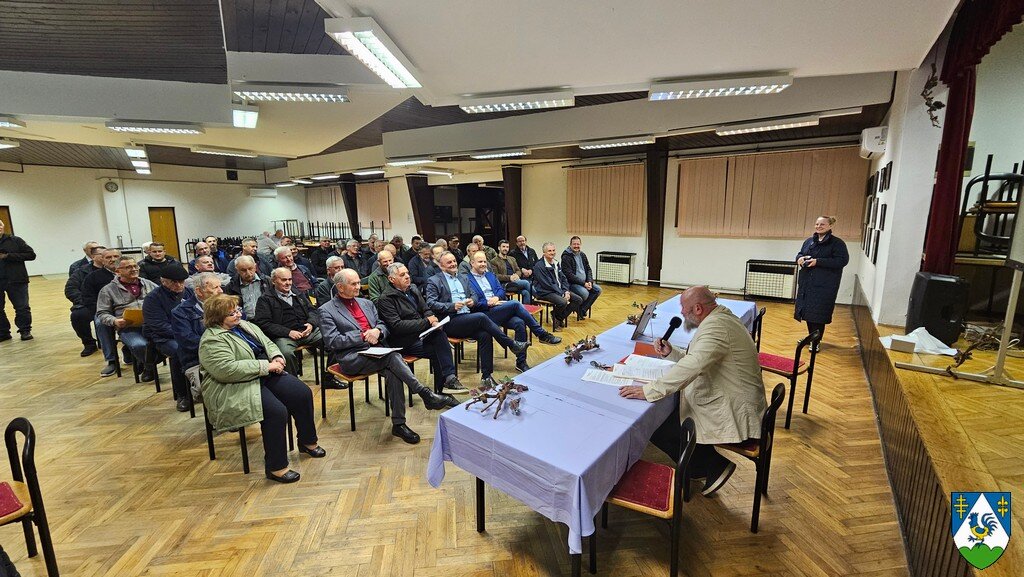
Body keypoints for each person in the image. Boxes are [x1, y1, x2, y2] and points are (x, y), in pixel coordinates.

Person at [618, 286, 766, 497]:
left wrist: (649, 391)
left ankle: (710, 465)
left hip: (737, 410)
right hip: (735, 394)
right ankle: (701, 465)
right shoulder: (720, 317)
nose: (681, 313)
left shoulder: (716, 328)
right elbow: (700, 359)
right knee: (673, 409)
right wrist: (672, 353)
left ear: (698, 308)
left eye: (684, 308)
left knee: (658, 423)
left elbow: (694, 366)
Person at [319, 269, 459, 444]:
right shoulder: (327, 310)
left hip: (378, 350)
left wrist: (377, 331)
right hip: (352, 357)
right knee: (393, 358)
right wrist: (362, 336)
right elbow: (332, 341)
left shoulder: (366, 303)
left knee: (393, 368)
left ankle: (399, 424)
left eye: (358, 282)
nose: (358, 286)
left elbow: (383, 325)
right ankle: (425, 394)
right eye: (353, 284)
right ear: (340, 287)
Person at [199, 294, 325, 484]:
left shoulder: (245, 326)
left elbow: (267, 342)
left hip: (263, 373)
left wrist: (277, 356)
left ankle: (307, 441)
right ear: (217, 317)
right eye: (231, 313)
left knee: (302, 393)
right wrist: (265, 367)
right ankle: (276, 467)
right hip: (235, 384)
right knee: (276, 412)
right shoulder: (211, 340)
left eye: (237, 310)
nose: (238, 314)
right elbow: (226, 370)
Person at [425, 252, 533, 376]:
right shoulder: (434, 280)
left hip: (467, 317)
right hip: (451, 320)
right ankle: (511, 344)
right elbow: (431, 303)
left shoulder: (462, 277)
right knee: (482, 316)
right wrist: (452, 306)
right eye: (449, 262)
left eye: (454, 261)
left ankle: (486, 376)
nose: (453, 264)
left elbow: (474, 295)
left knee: (485, 335)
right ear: (441, 265)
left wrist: (472, 301)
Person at [376, 263, 466, 394]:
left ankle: (448, 382)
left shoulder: (412, 288)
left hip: (420, 335)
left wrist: (433, 322)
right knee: (439, 350)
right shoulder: (386, 299)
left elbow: (426, 309)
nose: (407, 277)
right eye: (402, 275)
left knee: (440, 337)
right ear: (391, 279)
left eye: (407, 273)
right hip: (403, 342)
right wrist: (427, 321)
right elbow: (397, 326)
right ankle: (443, 389)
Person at [96, 256, 158, 381]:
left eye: (135, 266)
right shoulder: (108, 290)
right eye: (128, 267)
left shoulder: (148, 284)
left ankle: (144, 362)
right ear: (117, 271)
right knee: (140, 345)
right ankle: (149, 366)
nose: (134, 269)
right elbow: (102, 313)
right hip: (129, 327)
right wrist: (114, 321)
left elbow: (162, 297)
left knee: (169, 341)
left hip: (151, 325)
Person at [252, 267, 322, 375]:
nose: (288, 283)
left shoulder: (298, 293)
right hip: (284, 336)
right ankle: (293, 383)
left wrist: (311, 324)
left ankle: (329, 378)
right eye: (284, 280)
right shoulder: (265, 299)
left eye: (290, 279)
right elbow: (263, 323)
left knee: (332, 339)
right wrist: (288, 332)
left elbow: (313, 311)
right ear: (274, 281)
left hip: (307, 331)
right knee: (286, 354)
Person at [794, 216, 850, 350]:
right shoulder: (809, 241)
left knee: (818, 315)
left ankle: (816, 341)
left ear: (830, 226)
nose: (819, 226)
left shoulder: (837, 243)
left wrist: (818, 262)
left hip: (825, 286)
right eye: (817, 224)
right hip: (807, 283)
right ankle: (811, 337)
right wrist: (800, 258)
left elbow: (842, 261)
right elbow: (800, 253)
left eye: (822, 224)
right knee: (807, 313)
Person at [142, 265, 191, 411]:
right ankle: (182, 394)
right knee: (178, 352)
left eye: (182, 281)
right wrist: (184, 334)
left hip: (186, 333)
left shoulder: (189, 293)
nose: (179, 285)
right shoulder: (153, 298)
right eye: (174, 282)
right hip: (164, 337)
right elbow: (159, 326)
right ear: (164, 281)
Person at [171, 272, 223, 377]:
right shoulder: (181, 312)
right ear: (199, 291)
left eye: (220, 287)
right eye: (215, 288)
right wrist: (217, 346)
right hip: (197, 358)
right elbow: (187, 340)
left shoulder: (226, 304)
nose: (221, 291)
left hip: (227, 352)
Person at [83, 248, 121, 375]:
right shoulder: (92, 277)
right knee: (101, 323)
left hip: (128, 309)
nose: (113, 259)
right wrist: (102, 312)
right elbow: (88, 298)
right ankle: (112, 360)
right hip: (105, 311)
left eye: (116, 256)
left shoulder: (132, 273)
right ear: (102, 260)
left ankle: (135, 353)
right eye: (108, 257)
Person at [0, 219, 37, 342]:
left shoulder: (15, 240)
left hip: (16, 280)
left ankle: (25, 330)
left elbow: (31, 255)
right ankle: (3, 332)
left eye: (0, 225)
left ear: (3, 226)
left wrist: (8, 256)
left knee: (22, 307)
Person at [531, 242, 581, 331]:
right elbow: (547, 284)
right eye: (549, 251)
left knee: (578, 299)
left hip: (558, 290)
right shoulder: (539, 266)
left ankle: (557, 316)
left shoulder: (556, 263)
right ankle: (557, 319)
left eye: (553, 250)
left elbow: (564, 279)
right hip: (545, 292)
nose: (552, 253)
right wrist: (562, 294)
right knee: (563, 302)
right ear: (544, 253)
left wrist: (566, 291)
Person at [65, 244, 105, 356]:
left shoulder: (115, 270)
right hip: (90, 303)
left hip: (112, 304)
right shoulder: (80, 272)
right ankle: (89, 343)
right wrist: (86, 301)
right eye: (102, 255)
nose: (106, 258)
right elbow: (70, 289)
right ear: (93, 257)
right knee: (78, 315)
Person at [561, 236, 601, 320]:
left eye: (578, 244)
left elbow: (588, 269)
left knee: (598, 290)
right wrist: (584, 284)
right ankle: (579, 310)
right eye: (574, 244)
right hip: (572, 283)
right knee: (585, 293)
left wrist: (590, 281)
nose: (576, 246)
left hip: (585, 282)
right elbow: (569, 275)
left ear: (581, 244)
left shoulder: (582, 255)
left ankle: (581, 310)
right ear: (570, 245)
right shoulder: (566, 257)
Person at [490, 239, 532, 304]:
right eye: (503, 247)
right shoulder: (494, 261)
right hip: (504, 284)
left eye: (507, 247)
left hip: (515, 281)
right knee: (526, 283)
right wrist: (510, 277)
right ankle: (538, 296)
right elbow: (496, 276)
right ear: (499, 248)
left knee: (526, 293)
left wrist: (517, 275)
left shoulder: (512, 259)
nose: (505, 249)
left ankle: (526, 312)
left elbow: (518, 270)